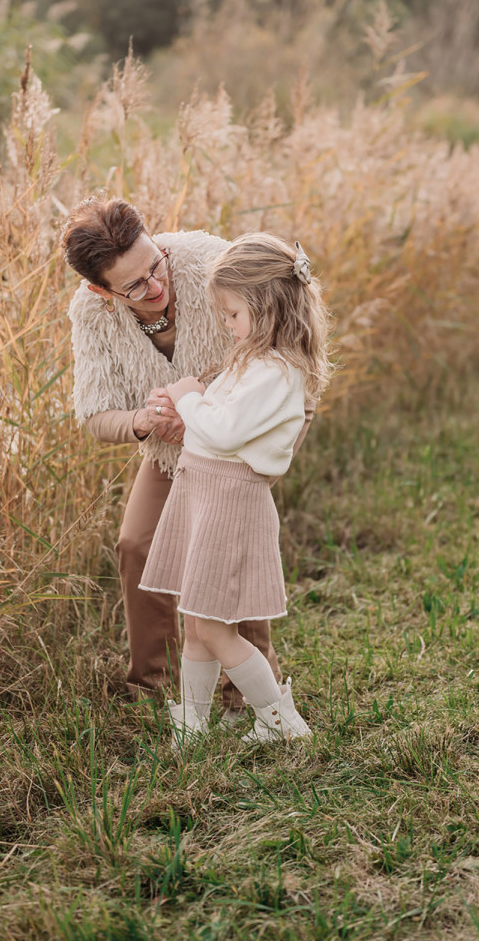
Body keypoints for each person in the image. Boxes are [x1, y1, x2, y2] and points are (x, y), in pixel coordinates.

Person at [62, 196, 313, 707]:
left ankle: (244, 694)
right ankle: (152, 685)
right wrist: (142, 420)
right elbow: (93, 413)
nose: (155, 286)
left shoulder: (210, 264)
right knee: (136, 544)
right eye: (134, 286)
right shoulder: (91, 314)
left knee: (230, 552)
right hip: (170, 452)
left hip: (241, 447)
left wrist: (255, 446)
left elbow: (287, 344)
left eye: (155, 266)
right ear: (100, 290)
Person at [139, 232, 332, 744]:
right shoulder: (253, 360)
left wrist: (187, 400)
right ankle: (194, 723)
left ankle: (280, 721)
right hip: (204, 492)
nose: (227, 326)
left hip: (229, 499)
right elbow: (222, 416)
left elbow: (222, 430)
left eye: (233, 315)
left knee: (216, 628)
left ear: (268, 308)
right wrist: (200, 395)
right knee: (198, 621)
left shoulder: (275, 371)